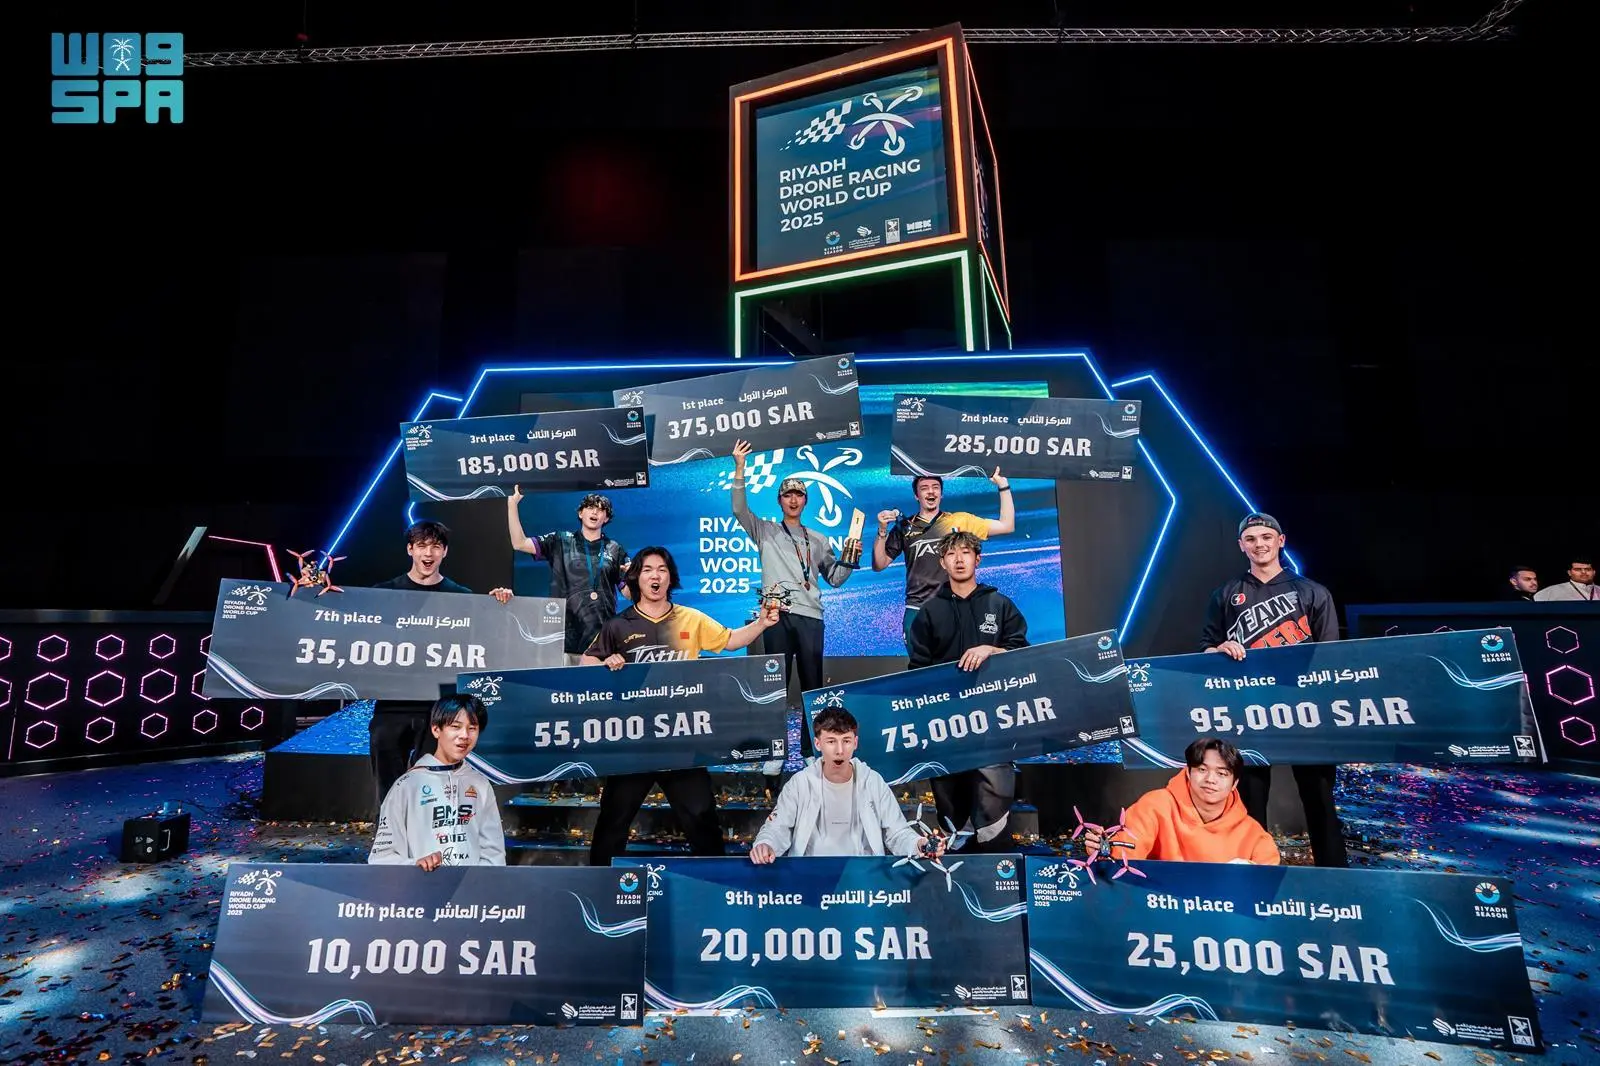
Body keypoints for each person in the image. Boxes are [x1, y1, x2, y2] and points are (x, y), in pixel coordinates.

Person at [581, 546, 782, 866]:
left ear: (670, 577)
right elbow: (586, 662)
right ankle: (600, 882)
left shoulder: (690, 618)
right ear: (637, 578)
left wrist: (761, 623)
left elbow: (730, 640)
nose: (655, 576)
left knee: (702, 818)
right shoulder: (619, 625)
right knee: (613, 820)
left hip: (681, 741)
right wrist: (606, 662)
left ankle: (715, 883)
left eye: (662, 569)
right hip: (636, 742)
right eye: (648, 570)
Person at [1201, 512, 1347, 868]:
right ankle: (1252, 874)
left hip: (1305, 711)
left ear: (1281, 541)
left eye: (1266, 537)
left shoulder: (1313, 592)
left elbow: (1330, 656)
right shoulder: (1226, 594)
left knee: (1320, 798)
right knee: (1250, 801)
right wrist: (1218, 651)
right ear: (1241, 546)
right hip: (1249, 711)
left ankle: (1335, 875)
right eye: (1251, 539)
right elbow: (1205, 650)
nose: (1259, 544)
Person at [368, 520, 512, 806]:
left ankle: (429, 834)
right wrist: (314, 591)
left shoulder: (462, 597)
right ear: (410, 549)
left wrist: (500, 604)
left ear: (444, 552)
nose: (428, 553)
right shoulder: (384, 594)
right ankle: (388, 832)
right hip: (391, 704)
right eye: (421, 546)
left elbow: (489, 638)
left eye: (435, 546)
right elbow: (348, 623)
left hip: (437, 707)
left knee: (431, 789)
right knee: (388, 788)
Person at [906, 530, 1028, 853]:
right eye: (951, 554)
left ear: (978, 559)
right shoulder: (929, 611)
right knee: (949, 791)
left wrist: (991, 649)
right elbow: (918, 670)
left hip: (994, 717)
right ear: (942, 563)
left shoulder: (999, 604)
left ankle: (994, 853)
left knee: (995, 790)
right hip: (947, 720)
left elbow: (1023, 653)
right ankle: (957, 850)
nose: (959, 560)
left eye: (966, 553)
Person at [730, 440, 853, 757]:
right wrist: (740, 467)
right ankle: (774, 751)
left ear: (805, 500)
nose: (793, 499)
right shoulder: (765, 531)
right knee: (775, 686)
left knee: (813, 687)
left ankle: (811, 751)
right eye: (788, 495)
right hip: (777, 615)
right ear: (780, 500)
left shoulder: (819, 539)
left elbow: (835, 578)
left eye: (799, 495)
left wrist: (851, 559)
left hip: (811, 617)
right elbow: (739, 509)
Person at [750, 706, 944, 862]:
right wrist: (765, 845)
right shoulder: (800, 784)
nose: (840, 750)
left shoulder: (872, 781)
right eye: (831, 741)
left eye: (846, 741)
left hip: (862, 878)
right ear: (817, 744)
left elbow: (897, 832)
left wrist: (918, 845)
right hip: (811, 876)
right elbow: (777, 828)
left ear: (855, 743)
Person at [873, 469, 1015, 651]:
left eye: (935, 487)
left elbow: (1006, 525)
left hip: (955, 607)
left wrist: (1003, 485)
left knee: (960, 663)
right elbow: (879, 564)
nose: (930, 491)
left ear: (941, 494)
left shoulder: (959, 521)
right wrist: (882, 530)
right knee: (921, 666)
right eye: (924, 488)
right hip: (917, 609)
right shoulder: (905, 527)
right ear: (916, 496)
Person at [1083, 738, 1279, 865]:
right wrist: (1103, 851)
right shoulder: (1154, 806)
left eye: (1222, 773)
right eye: (1202, 770)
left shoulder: (1255, 837)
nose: (1210, 779)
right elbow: (1123, 856)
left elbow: (1266, 891)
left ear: (1234, 783)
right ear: (1188, 772)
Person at [369, 693, 506, 869]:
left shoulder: (481, 785)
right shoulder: (406, 786)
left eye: (472, 728)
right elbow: (381, 857)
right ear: (435, 729)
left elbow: (494, 854)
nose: (464, 735)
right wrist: (415, 865)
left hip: (470, 885)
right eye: (455, 727)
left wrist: (480, 883)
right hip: (421, 885)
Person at [506, 486, 631, 664]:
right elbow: (519, 543)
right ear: (580, 513)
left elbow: (629, 594)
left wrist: (634, 577)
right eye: (590, 507)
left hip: (600, 642)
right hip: (561, 638)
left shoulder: (615, 549)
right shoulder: (561, 540)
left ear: (606, 518)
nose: (595, 512)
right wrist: (512, 505)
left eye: (601, 509)